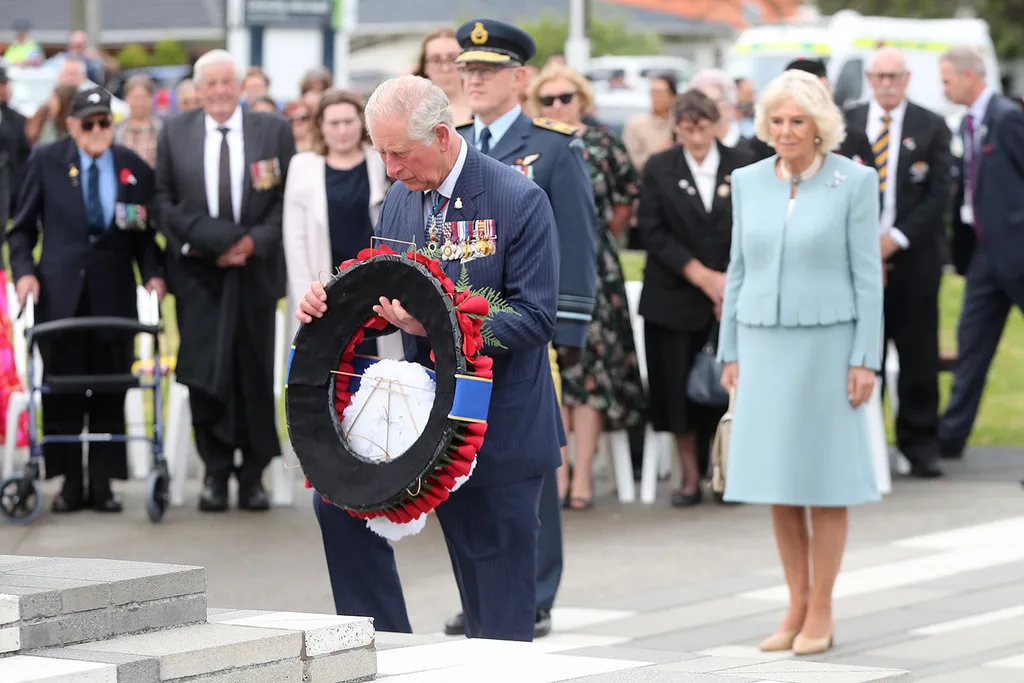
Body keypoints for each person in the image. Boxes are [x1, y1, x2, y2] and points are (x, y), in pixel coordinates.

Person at [297, 74, 563, 642]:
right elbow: (379, 289)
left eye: (399, 153)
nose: (390, 168)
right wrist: (327, 304)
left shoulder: (517, 198)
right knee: (338, 507)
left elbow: (536, 318)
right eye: (381, 152)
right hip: (418, 414)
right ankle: (386, 649)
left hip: (500, 422)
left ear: (441, 136)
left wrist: (445, 328)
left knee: (496, 608)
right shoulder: (401, 196)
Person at [718, 69, 883, 655]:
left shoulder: (854, 182)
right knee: (778, 479)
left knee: (825, 480)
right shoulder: (747, 181)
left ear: (820, 126)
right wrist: (730, 349)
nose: (786, 131)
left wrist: (865, 359)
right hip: (761, 345)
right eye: (778, 120)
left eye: (798, 121)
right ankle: (795, 603)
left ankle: (823, 608)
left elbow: (868, 277)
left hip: (829, 348)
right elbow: (738, 268)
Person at [446, 17, 598, 639]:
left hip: (527, 327)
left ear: (520, 77)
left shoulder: (552, 148)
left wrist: (569, 330)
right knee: (467, 455)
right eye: (468, 69)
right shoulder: (456, 144)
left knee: (528, 460)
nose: (475, 79)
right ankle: (487, 590)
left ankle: (532, 590)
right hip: (461, 334)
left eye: (489, 69)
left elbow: (577, 241)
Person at [8, 86, 166, 512]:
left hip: (114, 297)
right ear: (72, 125)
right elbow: (21, 230)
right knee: (63, 389)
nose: (98, 130)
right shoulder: (46, 161)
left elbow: (143, 237)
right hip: (61, 298)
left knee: (111, 387)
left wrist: (153, 275)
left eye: (105, 122)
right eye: (89, 123)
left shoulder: (133, 168)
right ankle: (69, 484)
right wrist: (25, 274)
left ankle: (102, 484)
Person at [154, 49, 296, 512]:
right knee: (204, 375)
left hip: (255, 273)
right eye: (210, 83)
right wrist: (208, 242)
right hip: (199, 276)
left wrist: (251, 243)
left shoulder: (272, 130)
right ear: (197, 90)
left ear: (240, 86)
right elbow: (163, 200)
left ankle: (252, 477)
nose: (219, 91)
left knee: (253, 372)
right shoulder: (174, 131)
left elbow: (286, 199)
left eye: (226, 82)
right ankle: (214, 472)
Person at [527, 64, 646, 510]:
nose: (558, 105)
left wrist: (592, 239)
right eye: (548, 99)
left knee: (590, 373)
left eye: (566, 97)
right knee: (551, 370)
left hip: (595, 268)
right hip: (541, 267)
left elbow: (625, 201)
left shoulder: (601, 143)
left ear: (582, 99)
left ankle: (583, 479)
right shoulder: (532, 144)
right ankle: (558, 474)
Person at [637, 89, 750, 507]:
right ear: (677, 128)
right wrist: (703, 278)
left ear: (715, 124)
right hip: (674, 296)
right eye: (687, 129)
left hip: (731, 294)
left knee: (727, 389)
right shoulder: (660, 167)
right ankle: (688, 476)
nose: (697, 138)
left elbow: (753, 226)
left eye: (703, 128)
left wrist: (727, 283)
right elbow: (652, 231)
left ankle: (725, 471)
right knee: (675, 390)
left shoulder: (743, 164)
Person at [844, 46, 951, 479]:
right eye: (879, 76)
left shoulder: (931, 125)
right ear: (870, 79)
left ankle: (919, 444)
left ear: (907, 79)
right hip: (855, 261)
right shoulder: (847, 123)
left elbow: (939, 193)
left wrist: (894, 240)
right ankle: (862, 444)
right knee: (861, 353)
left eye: (894, 76)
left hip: (913, 258)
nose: (886, 84)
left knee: (918, 355)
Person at [937, 46, 1024, 461]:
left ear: (969, 76)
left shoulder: (1007, 118)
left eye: (947, 80)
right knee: (971, 343)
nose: (944, 88)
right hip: (983, 255)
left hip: (1017, 252)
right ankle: (950, 438)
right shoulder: (967, 123)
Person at [282, 88, 391, 347]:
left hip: (374, 285)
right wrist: (308, 295)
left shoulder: (380, 161)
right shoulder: (303, 166)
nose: (342, 130)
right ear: (320, 125)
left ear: (361, 122)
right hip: (325, 283)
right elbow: (294, 238)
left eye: (348, 121)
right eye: (334, 123)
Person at [748, 59, 875, 166]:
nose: (785, 131)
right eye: (777, 121)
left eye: (826, 88)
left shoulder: (853, 136)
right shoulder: (761, 145)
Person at [413, 27, 473, 124]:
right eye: (436, 60)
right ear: (424, 66)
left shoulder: (483, 109)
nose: (445, 68)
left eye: (453, 59)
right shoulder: (413, 114)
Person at [0, 66, 31, 226]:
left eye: (5, 84)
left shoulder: (16, 118)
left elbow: (24, 154)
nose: (3, 89)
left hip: (9, 188)